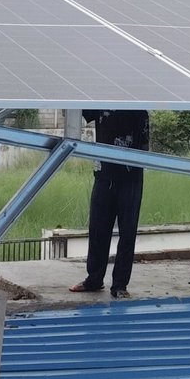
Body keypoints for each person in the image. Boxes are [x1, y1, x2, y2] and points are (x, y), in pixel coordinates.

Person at [68, 108, 150, 299]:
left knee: (127, 232)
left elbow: (144, 146)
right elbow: (76, 110)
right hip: (103, 176)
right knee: (98, 229)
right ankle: (94, 279)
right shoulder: (101, 103)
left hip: (130, 178)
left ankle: (120, 285)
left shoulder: (139, 110)